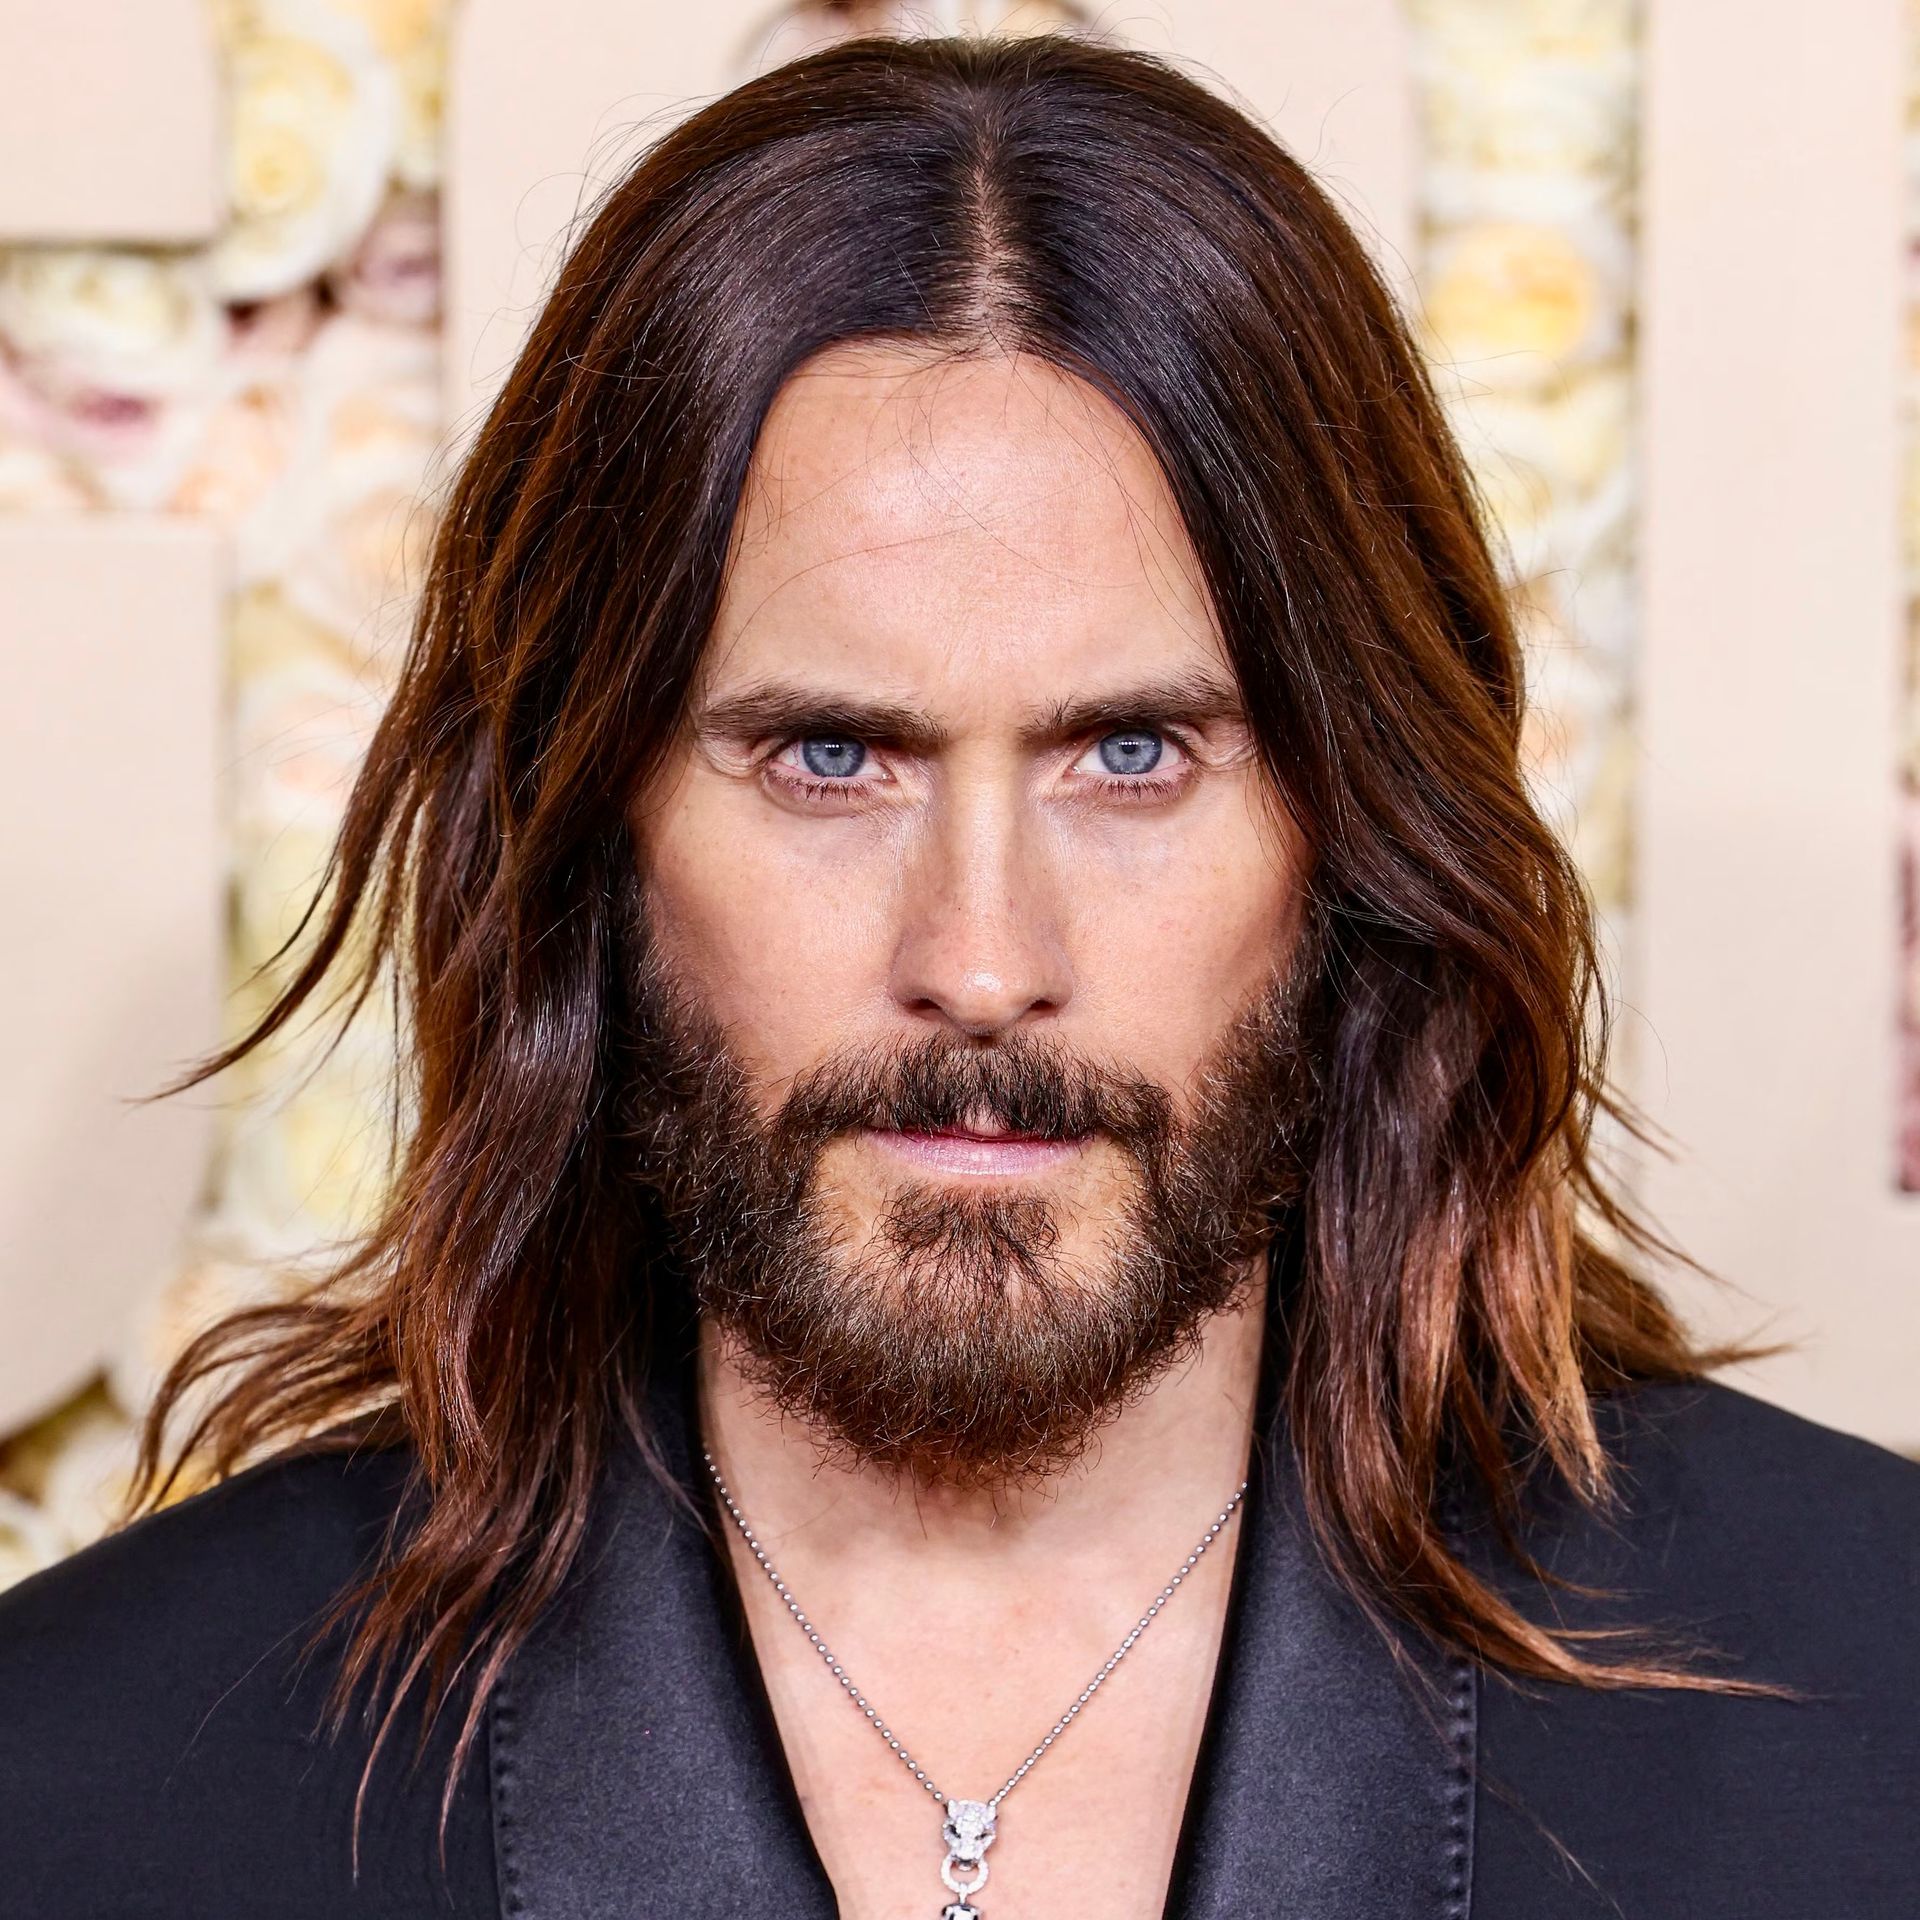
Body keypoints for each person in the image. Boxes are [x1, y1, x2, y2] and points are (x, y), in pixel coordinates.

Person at [1, 29, 1915, 1920]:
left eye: (1132, 756)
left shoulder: (1869, 1713)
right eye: (832, 758)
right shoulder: (83, 1782)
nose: (984, 962)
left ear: (1354, 827)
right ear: (588, 832)